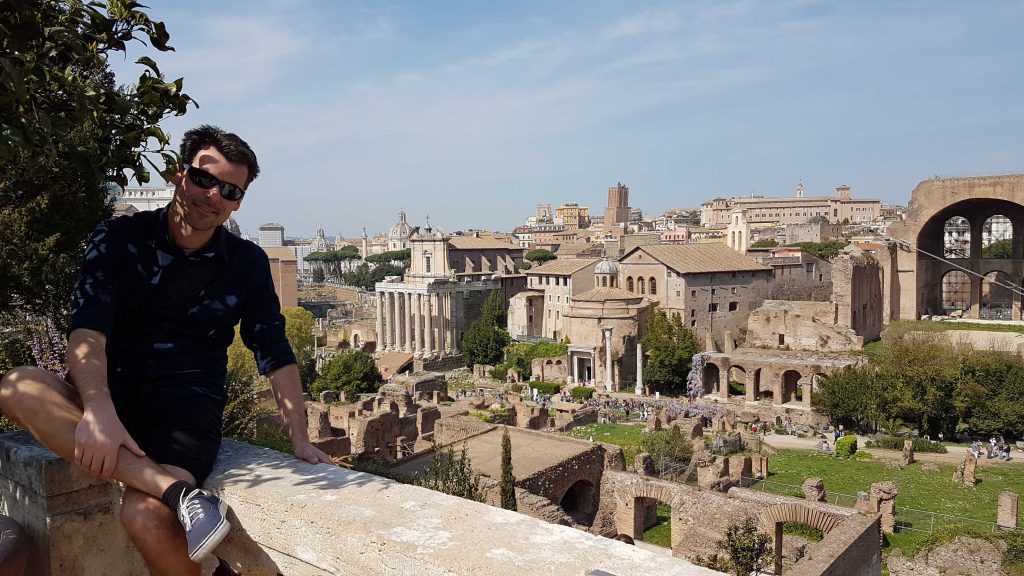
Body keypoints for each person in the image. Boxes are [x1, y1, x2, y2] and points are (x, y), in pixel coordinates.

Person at [0, 126, 331, 575]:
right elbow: (87, 331)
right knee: (17, 385)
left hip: (185, 410)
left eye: (229, 190)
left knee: (144, 515)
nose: (212, 194)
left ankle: (195, 539)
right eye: (202, 178)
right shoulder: (117, 238)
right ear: (180, 175)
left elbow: (272, 347)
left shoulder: (247, 262)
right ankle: (182, 497)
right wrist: (98, 409)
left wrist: (299, 437)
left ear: (237, 202)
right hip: (109, 396)